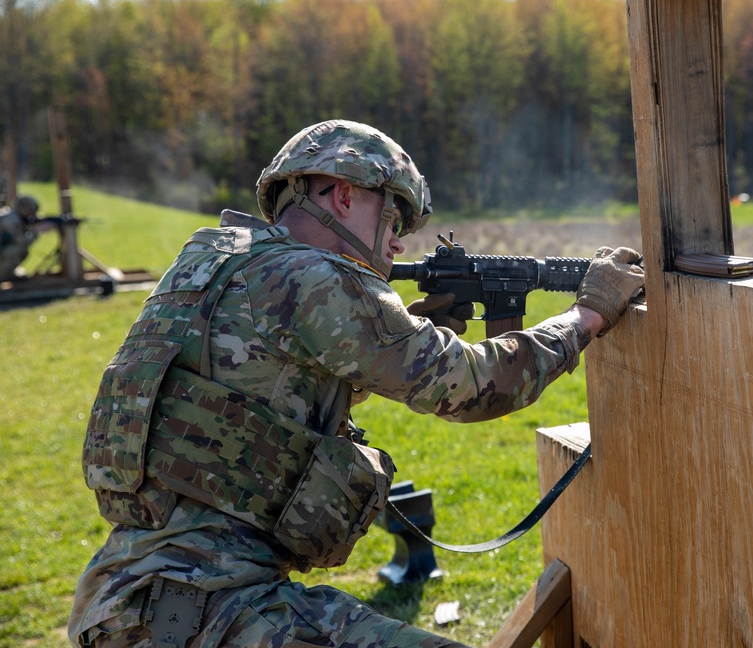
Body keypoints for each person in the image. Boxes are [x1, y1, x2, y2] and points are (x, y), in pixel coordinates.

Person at [69, 119, 644, 648]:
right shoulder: (314, 277)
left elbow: (256, 392)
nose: (396, 244)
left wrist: (411, 336)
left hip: (129, 598)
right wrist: (588, 313)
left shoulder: (213, 262)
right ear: (345, 196)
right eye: (392, 220)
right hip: (211, 608)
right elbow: (474, 385)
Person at [0, 194, 40, 281]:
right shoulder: (11, 220)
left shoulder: (9, 215)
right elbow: (21, 242)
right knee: (19, 250)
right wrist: (36, 231)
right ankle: (3, 276)